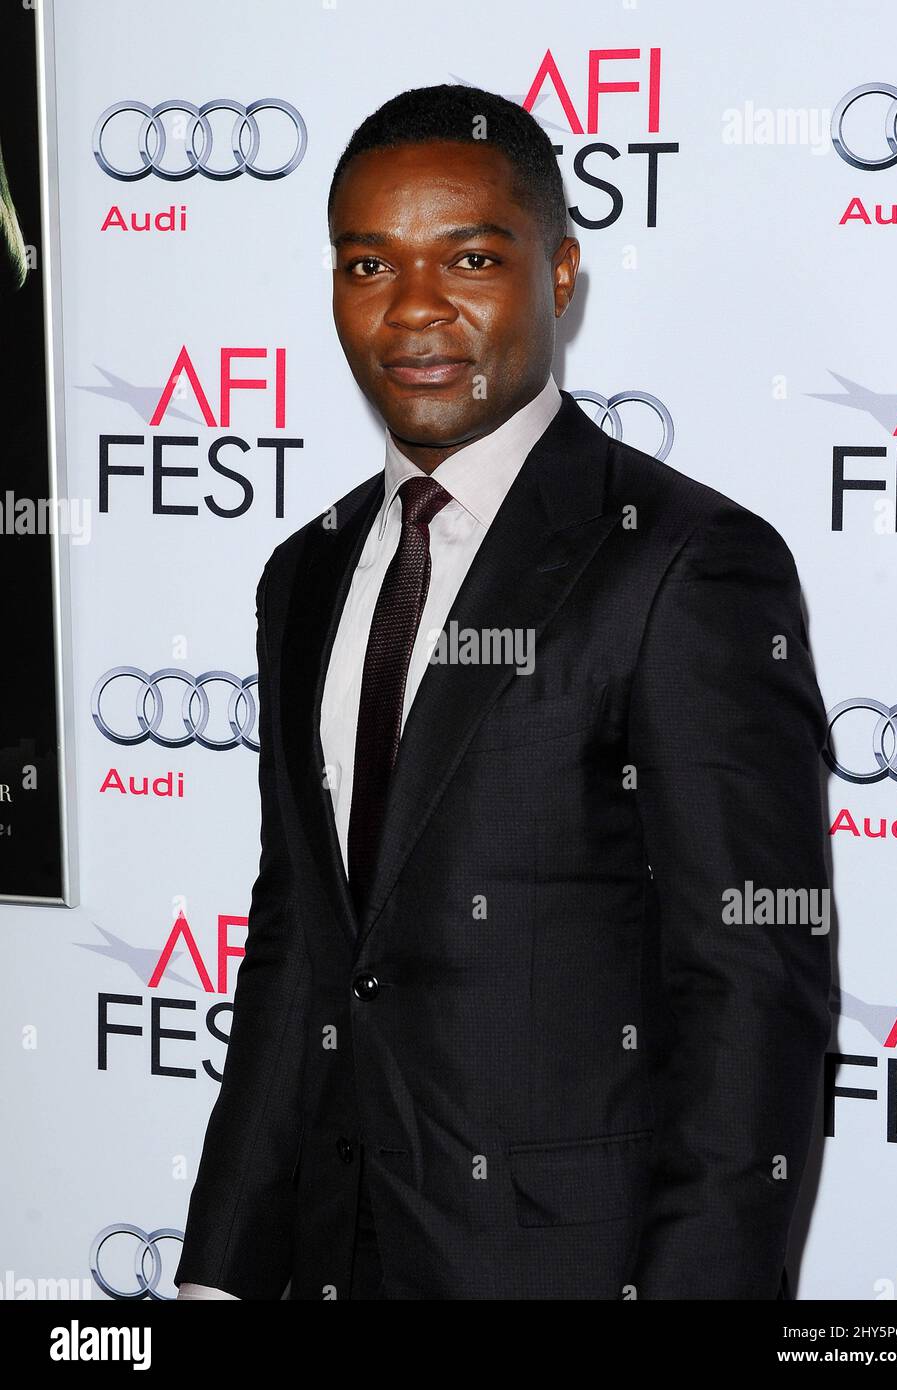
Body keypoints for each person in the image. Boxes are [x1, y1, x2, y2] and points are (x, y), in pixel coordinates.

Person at [174, 83, 832, 1301]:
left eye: (469, 257)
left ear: (562, 273)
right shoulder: (303, 572)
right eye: (367, 264)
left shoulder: (682, 563)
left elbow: (751, 998)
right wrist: (217, 1272)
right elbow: (298, 955)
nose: (414, 310)